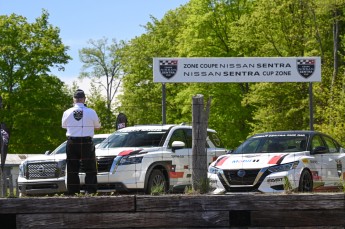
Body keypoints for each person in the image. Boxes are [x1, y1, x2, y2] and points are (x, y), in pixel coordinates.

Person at [62, 89, 101, 195]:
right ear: (84, 99)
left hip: (72, 142)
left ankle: (73, 193)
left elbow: (64, 126)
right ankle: (90, 192)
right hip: (86, 142)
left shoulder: (67, 112)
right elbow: (98, 127)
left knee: (72, 169)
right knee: (90, 168)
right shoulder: (91, 112)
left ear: (73, 100)